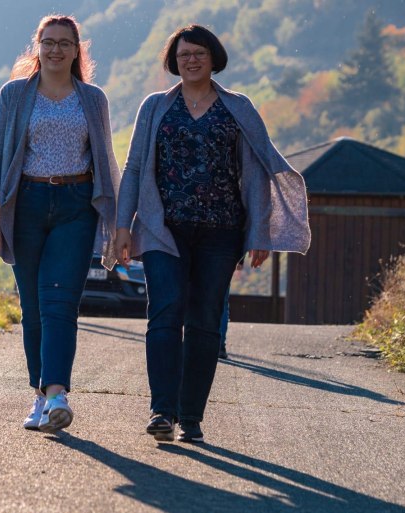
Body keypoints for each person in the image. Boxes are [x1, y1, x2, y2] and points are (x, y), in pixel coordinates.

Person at [115, 24, 310, 443]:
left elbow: (256, 172)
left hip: (222, 233)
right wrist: (121, 227)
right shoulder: (155, 107)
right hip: (163, 229)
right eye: (184, 54)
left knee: (204, 321)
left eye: (199, 53)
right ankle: (162, 410)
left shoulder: (237, 107)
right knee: (165, 314)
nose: (191, 60)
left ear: (213, 57)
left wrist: (259, 232)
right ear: (174, 60)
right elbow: (133, 168)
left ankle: (191, 416)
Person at [0, 15, 120, 433]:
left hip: (77, 204)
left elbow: (106, 159)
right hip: (26, 204)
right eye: (48, 42)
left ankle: (57, 393)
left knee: (60, 302)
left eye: (65, 43)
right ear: (36, 47)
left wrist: (116, 219)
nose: (56, 49)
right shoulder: (14, 95)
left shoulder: (93, 99)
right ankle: (39, 395)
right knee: (34, 308)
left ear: (78, 50)